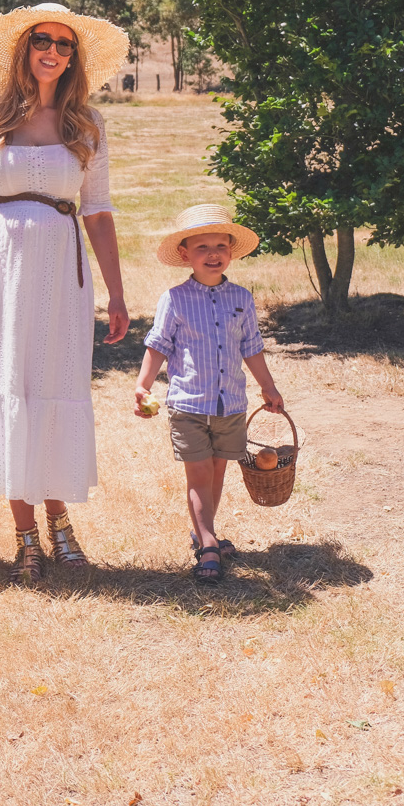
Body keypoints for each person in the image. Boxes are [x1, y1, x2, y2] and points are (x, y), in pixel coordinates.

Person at [0, 2, 130, 585]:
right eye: (43, 39)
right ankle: (25, 536)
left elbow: (99, 213)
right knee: (9, 385)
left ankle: (60, 522)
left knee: (55, 384)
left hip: (62, 271)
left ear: (74, 57)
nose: (53, 51)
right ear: (23, 47)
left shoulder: (87, 125)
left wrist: (116, 293)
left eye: (65, 44)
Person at [133, 203, 284, 584]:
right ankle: (209, 546)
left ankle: (205, 533)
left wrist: (268, 386)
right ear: (185, 255)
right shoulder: (175, 299)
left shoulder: (242, 299)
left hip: (231, 404)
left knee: (217, 475)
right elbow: (158, 345)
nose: (213, 253)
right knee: (198, 476)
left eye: (221, 245)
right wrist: (143, 384)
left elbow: (251, 346)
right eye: (202, 247)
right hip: (189, 404)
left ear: (231, 252)